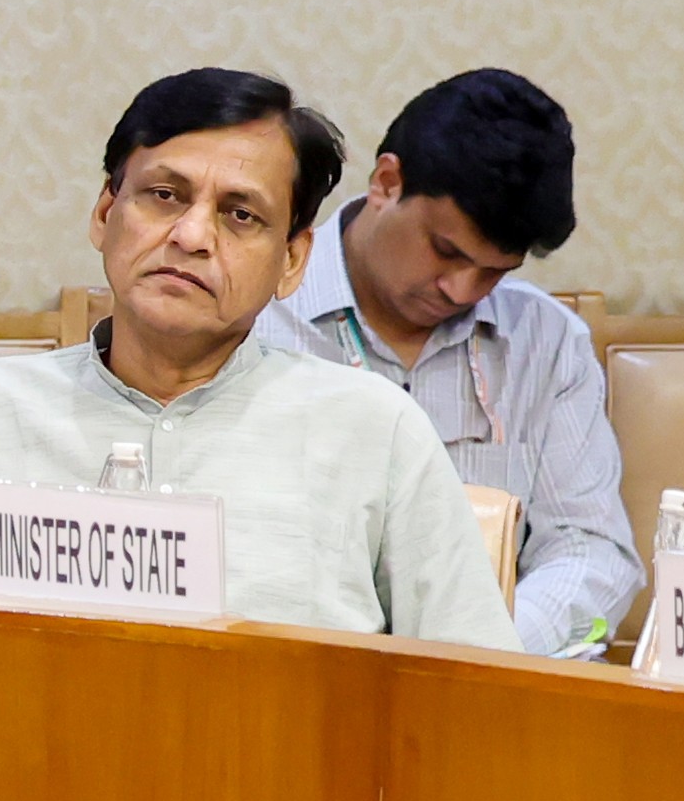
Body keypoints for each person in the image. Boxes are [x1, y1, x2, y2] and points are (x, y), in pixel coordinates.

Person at [0, 68, 510, 647]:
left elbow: (477, 685)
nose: (190, 236)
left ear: (292, 261)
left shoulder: (375, 431)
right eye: (165, 195)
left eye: (240, 215)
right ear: (106, 212)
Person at [251, 68, 640, 655]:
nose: (462, 290)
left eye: (494, 271)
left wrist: (482, 651)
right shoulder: (254, 314)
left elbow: (590, 551)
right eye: (447, 251)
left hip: (490, 690)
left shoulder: (546, 342)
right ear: (386, 182)